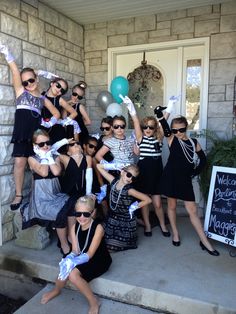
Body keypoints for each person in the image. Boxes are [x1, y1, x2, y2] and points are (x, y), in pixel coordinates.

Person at [0, 44, 60, 211]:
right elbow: (13, 70)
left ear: (36, 79)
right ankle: (18, 194)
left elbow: (56, 113)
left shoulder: (42, 98)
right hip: (21, 133)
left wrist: (49, 123)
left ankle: (37, 196)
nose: (28, 84)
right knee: (19, 163)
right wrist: (7, 52)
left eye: (31, 80)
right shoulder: (21, 92)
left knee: (37, 166)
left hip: (37, 136)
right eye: (25, 82)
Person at [154, 109, 220, 256]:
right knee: (171, 206)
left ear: (186, 128)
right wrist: (159, 114)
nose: (178, 132)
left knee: (193, 211)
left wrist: (195, 172)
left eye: (181, 129)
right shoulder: (172, 139)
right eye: (175, 130)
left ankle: (205, 242)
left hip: (185, 180)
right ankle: (175, 233)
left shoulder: (193, 143)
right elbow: (165, 127)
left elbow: (203, 160)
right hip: (171, 178)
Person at [41, 195, 112, 314]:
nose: (82, 217)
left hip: (97, 259)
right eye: (78, 214)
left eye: (86, 214)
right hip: (82, 255)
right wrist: (69, 259)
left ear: (93, 212)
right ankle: (57, 289)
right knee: (65, 265)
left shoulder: (98, 228)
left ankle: (94, 301)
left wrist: (73, 262)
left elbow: (90, 254)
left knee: (73, 274)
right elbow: (75, 250)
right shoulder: (74, 227)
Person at [122, 95, 178, 237]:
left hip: (156, 173)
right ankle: (147, 225)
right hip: (144, 172)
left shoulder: (159, 138)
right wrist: (130, 107)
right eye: (145, 126)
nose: (147, 129)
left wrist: (170, 105)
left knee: (158, 203)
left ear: (155, 129)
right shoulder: (140, 138)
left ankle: (163, 225)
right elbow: (135, 120)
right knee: (145, 201)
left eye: (151, 127)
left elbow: (163, 120)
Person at [20, 129, 70, 255]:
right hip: (41, 197)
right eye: (41, 144)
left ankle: (70, 239)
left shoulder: (54, 156)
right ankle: (64, 245)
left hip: (55, 194)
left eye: (47, 143)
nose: (46, 146)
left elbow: (56, 172)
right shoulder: (32, 158)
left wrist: (48, 156)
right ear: (34, 145)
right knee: (60, 213)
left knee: (71, 207)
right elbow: (43, 172)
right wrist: (43, 157)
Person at [97, 163, 151, 251]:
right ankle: (138, 221)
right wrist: (115, 165)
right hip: (113, 218)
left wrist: (134, 207)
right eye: (129, 175)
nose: (130, 179)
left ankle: (135, 223)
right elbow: (98, 166)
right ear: (122, 172)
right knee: (99, 236)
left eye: (133, 178)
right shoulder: (113, 181)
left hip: (125, 221)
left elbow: (148, 200)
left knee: (110, 246)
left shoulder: (130, 190)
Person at [41, 77, 78, 145]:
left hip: (56, 130)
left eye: (62, 91)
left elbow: (74, 113)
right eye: (58, 86)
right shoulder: (41, 95)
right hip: (42, 128)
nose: (59, 90)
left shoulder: (60, 100)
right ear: (52, 83)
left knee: (58, 154)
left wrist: (63, 122)